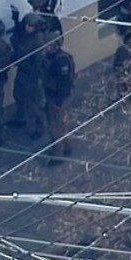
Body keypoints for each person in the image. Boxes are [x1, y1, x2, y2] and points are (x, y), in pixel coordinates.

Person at [8, 13, 46, 140]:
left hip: (32, 76)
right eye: (26, 25)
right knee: (18, 95)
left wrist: (34, 79)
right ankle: (21, 118)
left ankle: (40, 128)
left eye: (30, 26)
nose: (27, 28)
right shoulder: (26, 36)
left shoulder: (38, 40)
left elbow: (38, 62)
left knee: (34, 105)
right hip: (22, 71)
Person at [42, 37, 75, 166]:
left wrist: (58, 100)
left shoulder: (61, 60)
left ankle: (57, 155)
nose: (46, 47)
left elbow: (64, 82)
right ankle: (66, 147)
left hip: (58, 97)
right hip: (57, 96)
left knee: (55, 126)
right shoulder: (55, 58)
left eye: (48, 45)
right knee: (62, 124)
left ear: (55, 46)